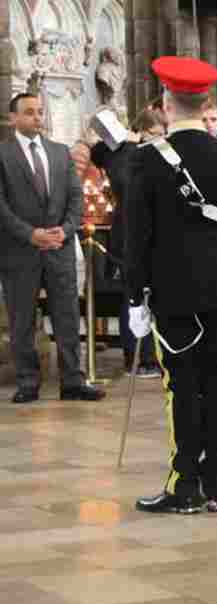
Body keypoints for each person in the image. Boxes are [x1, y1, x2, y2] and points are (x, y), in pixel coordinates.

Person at [124, 56, 217, 513]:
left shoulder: (147, 160)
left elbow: (136, 234)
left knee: (182, 386)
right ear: (207, 103)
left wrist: (135, 296)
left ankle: (184, 487)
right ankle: (215, 485)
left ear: (165, 104)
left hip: (176, 292)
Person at [0, 92, 104, 404]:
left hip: (59, 246)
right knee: (22, 320)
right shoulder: (3, 154)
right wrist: (30, 234)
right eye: (29, 112)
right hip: (20, 250)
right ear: (13, 118)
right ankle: (28, 382)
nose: (37, 117)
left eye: (40, 111)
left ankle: (73, 380)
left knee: (68, 316)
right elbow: (1, 205)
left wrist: (66, 229)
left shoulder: (59, 153)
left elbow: (75, 198)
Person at [99, 108, 167, 380]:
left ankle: (155, 355)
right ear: (139, 133)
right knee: (133, 297)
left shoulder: (159, 155)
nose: (159, 139)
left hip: (157, 236)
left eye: (162, 134)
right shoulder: (123, 155)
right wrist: (129, 143)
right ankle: (137, 358)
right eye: (153, 134)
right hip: (129, 235)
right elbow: (125, 184)